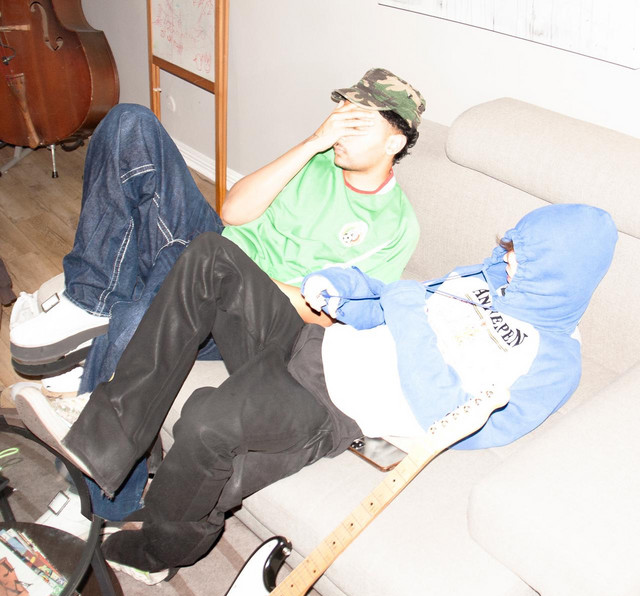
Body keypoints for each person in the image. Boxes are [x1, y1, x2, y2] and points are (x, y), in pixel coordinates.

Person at [13, 203, 617, 584]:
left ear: (560, 273)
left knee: (207, 422)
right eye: (510, 247)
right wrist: (346, 289)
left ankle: (163, 550)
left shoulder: (551, 359)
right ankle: (108, 440)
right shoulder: (480, 279)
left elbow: (457, 421)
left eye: (522, 257)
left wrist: (407, 311)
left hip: (331, 405)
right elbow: (387, 304)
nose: (506, 261)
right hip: (310, 340)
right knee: (210, 255)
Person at [9, 68, 425, 518]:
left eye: (357, 121)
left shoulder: (395, 225)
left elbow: (334, 318)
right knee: (130, 122)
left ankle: (98, 506)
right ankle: (89, 300)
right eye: (340, 112)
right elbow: (233, 212)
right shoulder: (314, 160)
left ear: (394, 141)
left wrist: (242, 279)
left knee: (140, 311)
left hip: (259, 322)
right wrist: (311, 143)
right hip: (211, 262)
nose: (340, 127)